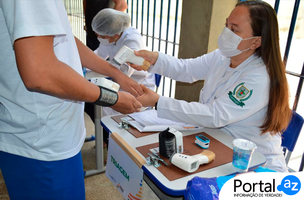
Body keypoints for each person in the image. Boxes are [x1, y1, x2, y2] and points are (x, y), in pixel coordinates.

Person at [0, 0, 143, 199]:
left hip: (52, 135)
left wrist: (115, 73)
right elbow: (40, 72)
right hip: (40, 144)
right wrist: (113, 99)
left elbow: (65, 38)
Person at [131, 0, 291, 172]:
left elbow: (215, 115)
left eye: (234, 29)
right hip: (220, 145)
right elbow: (186, 69)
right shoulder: (223, 56)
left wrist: (158, 102)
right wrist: (154, 59)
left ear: (256, 42)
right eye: (226, 25)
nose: (226, 32)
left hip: (254, 163)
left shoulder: (259, 77)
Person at [91, 8, 156, 145]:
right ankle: (107, 140)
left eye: (102, 36)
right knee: (96, 103)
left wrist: (104, 70)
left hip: (137, 85)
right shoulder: (111, 36)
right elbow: (99, 55)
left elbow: (124, 72)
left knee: (108, 105)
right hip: (119, 81)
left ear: (114, 35)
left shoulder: (132, 41)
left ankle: (114, 145)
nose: (99, 38)